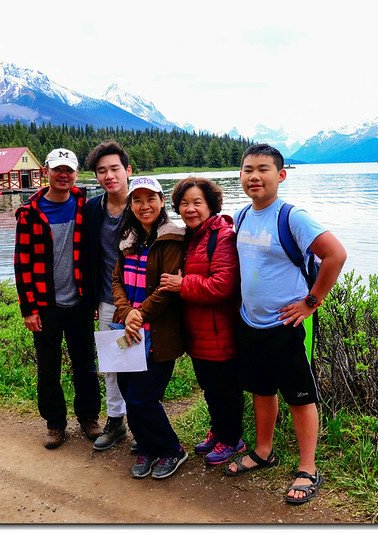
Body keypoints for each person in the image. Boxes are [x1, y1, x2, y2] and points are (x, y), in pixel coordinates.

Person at [223, 144, 347, 505]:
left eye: (263, 169)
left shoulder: (292, 217)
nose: (254, 176)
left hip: (289, 325)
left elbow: (335, 254)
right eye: (247, 169)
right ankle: (264, 452)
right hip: (251, 323)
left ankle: (308, 468)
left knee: (299, 396)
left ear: (281, 175)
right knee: (262, 390)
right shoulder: (242, 216)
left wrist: (311, 302)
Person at [14, 147, 102, 449]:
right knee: (48, 367)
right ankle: (55, 423)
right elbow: (22, 263)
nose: (63, 175)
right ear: (45, 173)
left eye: (69, 170)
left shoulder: (85, 206)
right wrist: (29, 308)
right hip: (45, 305)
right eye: (57, 169)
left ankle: (89, 418)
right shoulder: (29, 214)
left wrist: (92, 299)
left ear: (76, 174)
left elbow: (92, 256)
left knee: (85, 365)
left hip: (79, 303)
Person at [159, 177, 245, 466]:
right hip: (197, 331)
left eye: (197, 202)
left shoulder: (222, 236)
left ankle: (233, 439)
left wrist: (182, 284)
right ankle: (218, 431)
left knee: (226, 389)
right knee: (209, 386)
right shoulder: (190, 237)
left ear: (211, 205)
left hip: (220, 330)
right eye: (184, 203)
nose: (190, 209)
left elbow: (223, 285)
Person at [111, 176, 188, 479]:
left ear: (162, 201)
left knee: (143, 397)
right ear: (130, 204)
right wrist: (126, 311)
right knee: (128, 390)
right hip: (127, 329)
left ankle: (171, 449)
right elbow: (116, 280)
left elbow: (167, 288)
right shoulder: (128, 239)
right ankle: (146, 445)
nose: (145, 206)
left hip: (158, 334)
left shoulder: (172, 239)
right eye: (137, 200)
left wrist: (138, 314)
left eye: (150, 199)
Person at [83, 140, 135, 452]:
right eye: (102, 171)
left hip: (140, 302)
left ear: (127, 170)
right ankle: (116, 421)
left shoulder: (144, 203)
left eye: (115, 168)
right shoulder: (93, 209)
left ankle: (143, 424)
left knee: (142, 364)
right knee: (113, 364)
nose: (109, 175)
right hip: (105, 300)